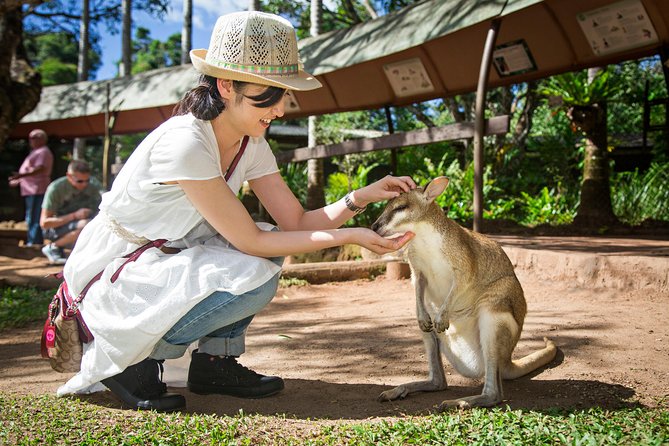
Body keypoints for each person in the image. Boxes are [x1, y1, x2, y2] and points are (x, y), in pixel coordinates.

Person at [58, 11, 416, 412]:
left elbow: (296, 223)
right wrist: (349, 236)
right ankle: (132, 358)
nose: (280, 109)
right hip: (119, 267)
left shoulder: (251, 143)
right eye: (269, 93)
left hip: (167, 255)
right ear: (226, 85)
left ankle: (214, 363)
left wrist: (360, 197)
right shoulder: (186, 142)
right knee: (255, 264)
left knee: (267, 247)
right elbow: (252, 241)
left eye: (283, 94)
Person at [40, 160, 103, 264]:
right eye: (80, 181)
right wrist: (74, 215)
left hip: (82, 227)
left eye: (87, 180)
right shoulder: (56, 189)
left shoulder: (94, 184)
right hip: (56, 230)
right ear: (69, 176)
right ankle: (53, 247)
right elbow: (44, 223)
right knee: (86, 225)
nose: (84, 184)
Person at [8, 129, 54, 247]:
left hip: (37, 189)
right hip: (30, 189)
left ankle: (34, 242)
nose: (31, 140)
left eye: (34, 137)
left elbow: (40, 168)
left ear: (42, 139)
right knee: (31, 216)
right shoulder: (35, 151)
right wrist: (19, 180)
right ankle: (32, 240)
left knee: (35, 216)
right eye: (30, 137)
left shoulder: (43, 151)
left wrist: (21, 175)